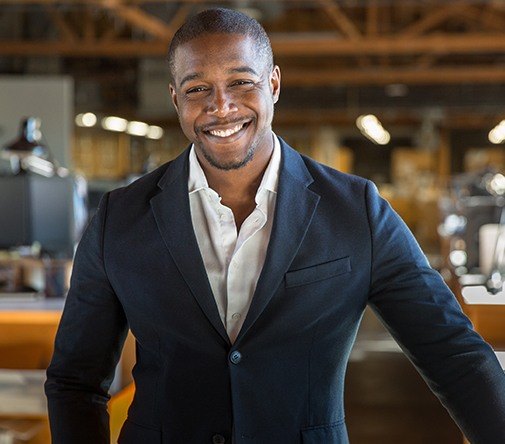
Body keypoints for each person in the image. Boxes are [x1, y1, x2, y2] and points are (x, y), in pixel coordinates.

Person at [45, 8, 505, 444]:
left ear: (274, 84)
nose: (221, 107)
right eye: (197, 89)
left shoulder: (355, 210)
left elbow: (454, 356)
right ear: (175, 98)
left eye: (241, 82)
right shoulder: (120, 219)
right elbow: (75, 381)